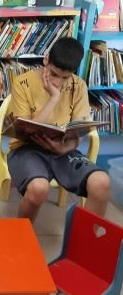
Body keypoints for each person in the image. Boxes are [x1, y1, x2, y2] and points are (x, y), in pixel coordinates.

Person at [7, 37, 110, 222]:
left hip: (63, 150)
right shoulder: (22, 82)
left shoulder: (78, 86)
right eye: (53, 74)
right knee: (38, 188)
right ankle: (21, 240)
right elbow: (27, 129)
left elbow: (78, 128)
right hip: (26, 149)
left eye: (65, 77)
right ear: (46, 59)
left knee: (101, 183)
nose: (58, 82)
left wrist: (64, 148)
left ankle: (85, 246)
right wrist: (53, 98)